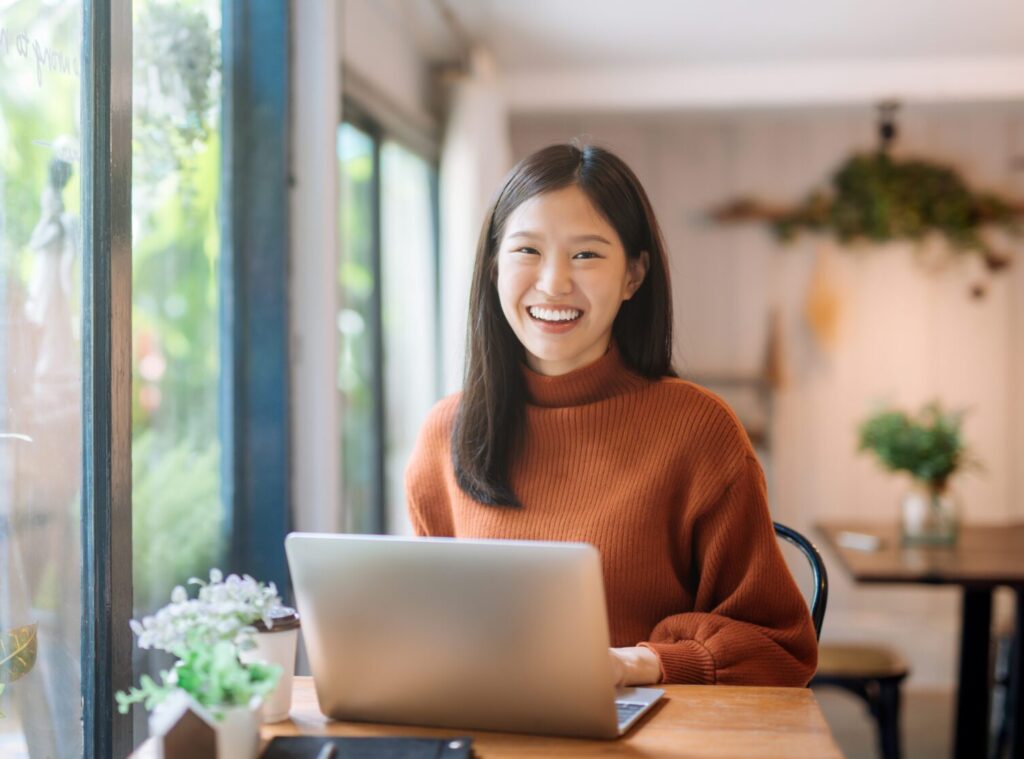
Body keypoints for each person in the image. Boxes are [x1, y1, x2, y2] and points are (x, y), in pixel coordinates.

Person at [405, 142, 817, 688]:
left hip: (645, 736)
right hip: (486, 727)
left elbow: (781, 646)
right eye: (527, 251)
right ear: (492, 267)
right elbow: (424, 623)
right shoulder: (446, 432)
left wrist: (641, 663)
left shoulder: (698, 430)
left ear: (633, 275)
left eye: (586, 255)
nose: (553, 283)